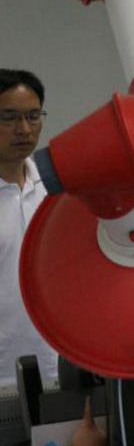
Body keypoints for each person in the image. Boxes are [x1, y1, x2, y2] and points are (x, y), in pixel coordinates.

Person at [0, 70, 58, 384]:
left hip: (55, 367)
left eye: (33, 116)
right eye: (9, 118)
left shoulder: (55, 189)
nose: (23, 129)